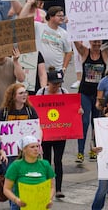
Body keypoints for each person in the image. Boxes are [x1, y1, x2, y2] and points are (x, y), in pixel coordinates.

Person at [74, 38, 108, 163]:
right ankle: (80, 152)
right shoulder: (85, 52)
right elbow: (75, 41)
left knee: (96, 123)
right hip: (84, 93)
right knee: (84, 121)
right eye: (94, 42)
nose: (97, 44)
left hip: (99, 94)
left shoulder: (104, 54)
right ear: (90, 42)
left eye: (99, 42)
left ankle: (93, 150)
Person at [36, 67, 71, 199]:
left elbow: (71, 108)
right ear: (48, 82)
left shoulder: (64, 92)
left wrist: (78, 111)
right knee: (46, 161)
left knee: (58, 160)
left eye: (59, 83)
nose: (57, 86)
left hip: (60, 133)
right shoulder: (42, 92)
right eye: (54, 83)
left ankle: (58, 189)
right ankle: (46, 187)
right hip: (45, 134)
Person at [3, 135, 55, 210]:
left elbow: (52, 187)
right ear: (24, 149)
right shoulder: (16, 166)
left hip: (40, 205)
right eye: (32, 147)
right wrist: (16, 200)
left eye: (37, 146)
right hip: (21, 206)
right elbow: (6, 189)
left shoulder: (45, 164)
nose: (36, 149)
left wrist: (48, 199)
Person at [0, 47, 25, 128]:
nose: (0, 51)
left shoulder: (12, 62)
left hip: (9, 104)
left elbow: (21, 78)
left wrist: (16, 61)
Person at [30, 6, 72, 71]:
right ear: (50, 16)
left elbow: (68, 52)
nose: (62, 18)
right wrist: (29, 4)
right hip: (38, 69)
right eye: (59, 16)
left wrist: (64, 68)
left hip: (56, 70)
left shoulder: (64, 33)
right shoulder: (38, 26)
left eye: (62, 16)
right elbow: (21, 21)